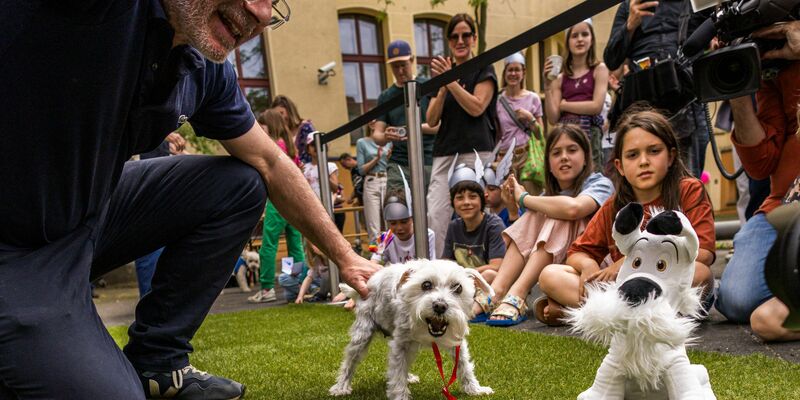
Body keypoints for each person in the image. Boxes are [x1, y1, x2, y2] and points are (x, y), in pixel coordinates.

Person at [0, 1, 378, 398]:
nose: (263, 14)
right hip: (18, 250)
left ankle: (158, 362)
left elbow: (270, 161)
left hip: (89, 211)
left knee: (241, 184)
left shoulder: (203, 66)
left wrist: (345, 256)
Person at [537, 110, 715, 326]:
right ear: (620, 166)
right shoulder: (613, 206)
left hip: (669, 288)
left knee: (701, 273)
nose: (643, 162)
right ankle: (621, 319)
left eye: (654, 151)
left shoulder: (688, 190)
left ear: (671, 156)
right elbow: (577, 252)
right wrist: (588, 265)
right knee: (550, 274)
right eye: (632, 155)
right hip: (623, 290)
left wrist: (626, 263)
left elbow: (703, 254)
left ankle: (588, 314)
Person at [472, 125, 614, 326]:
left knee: (558, 214)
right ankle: (497, 292)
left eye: (572, 150)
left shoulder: (600, 183)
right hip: (561, 271)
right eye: (556, 153)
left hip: (592, 269)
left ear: (585, 157)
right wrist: (514, 209)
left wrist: (524, 199)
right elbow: (526, 239)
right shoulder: (546, 196)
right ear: (548, 163)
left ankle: (518, 293)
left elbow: (574, 208)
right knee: (539, 211)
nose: (564, 157)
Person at [716, 21, 800, 342]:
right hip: (785, 202)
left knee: (763, 316)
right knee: (736, 298)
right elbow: (761, 163)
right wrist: (737, 92)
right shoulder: (773, 55)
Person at [604, 0, 710, 178]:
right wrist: (630, 25)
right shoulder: (629, 6)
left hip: (688, 105)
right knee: (645, 178)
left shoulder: (694, 2)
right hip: (642, 109)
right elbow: (611, 59)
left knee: (688, 182)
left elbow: (722, 26)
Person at [426, 13, 499, 258]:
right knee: (436, 212)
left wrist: (450, 81)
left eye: (465, 35)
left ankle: (490, 267)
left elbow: (477, 106)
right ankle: (440, 271)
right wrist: (444, 86)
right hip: (445, 151)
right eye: (454, 36)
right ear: (448, 40)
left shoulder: (483, 68)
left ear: (474, 38)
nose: (460, 40)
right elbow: (431, 119)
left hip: (477, 150)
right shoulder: (443, 73)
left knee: (482, 210)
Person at [248, 109, 306, 304]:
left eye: (262, 126)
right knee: (293, 244)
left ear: (270, 126)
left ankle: (266, 288)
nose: (259, 129)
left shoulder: (273, 146)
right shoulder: (290, 148)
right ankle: (294, 282)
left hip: (278, 200)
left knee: (268, 245)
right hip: (294, 200)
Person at [371, 40, 438, 195]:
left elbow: (438, 125)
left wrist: (410, 129)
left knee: (432, 213)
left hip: (430, 159)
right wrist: (386, 136)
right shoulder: (386, 96)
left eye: (403, 65)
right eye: (395, 66)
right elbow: (377, 135)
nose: (400, 71)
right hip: (399, 163)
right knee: (396, 209)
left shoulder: (429, 86)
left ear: (412, 60)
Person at [544, 19, 609, 173]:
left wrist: (565, 105)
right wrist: (547, 86)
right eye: (574, 36)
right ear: (567, 42)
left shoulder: (599, 69)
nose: (580, 39)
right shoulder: (560, 77)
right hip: (566, 137)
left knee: (592, 178)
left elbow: (596, 106)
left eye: (585, 34)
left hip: (590, 136)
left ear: (591, 39)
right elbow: (553, 118)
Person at [133, 132, 187, 298]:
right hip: (146, 185)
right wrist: (165, 133)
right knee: (149, 249)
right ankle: (152, 302)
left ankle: (161, 302)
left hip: (159, 180)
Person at [442, 164, 507, 283]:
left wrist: (463, 274)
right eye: (460, 198)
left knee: (489, 274)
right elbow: (446, 264)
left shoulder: (494, 225)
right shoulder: (453, 226)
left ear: (482, 200)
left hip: (487, 285)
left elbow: (497, 266)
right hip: (460, 284)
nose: (466, 202)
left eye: (472, 197)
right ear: (453, 203)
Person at [496, 52, 545, 195]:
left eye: (517, 70)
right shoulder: (497, 101)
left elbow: (540, 133)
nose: (513, 74)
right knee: (508, 203)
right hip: (505, 158)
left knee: (531, 202)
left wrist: (530, 118)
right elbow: (496, 133)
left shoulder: (533, 98)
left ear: (523, 73)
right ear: (504, 73)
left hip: (527, 158)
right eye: (510, 70)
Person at [370, 194, 436, 265]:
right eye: (393, 223)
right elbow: (373, 263)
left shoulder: (427, 235)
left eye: (404, 222)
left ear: (413, 218)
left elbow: (431, 265)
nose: (399, 228)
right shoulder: (384, 238)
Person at [356, 127, 392, 244]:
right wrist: (376, 159)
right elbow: (361, 170)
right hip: (372, 180)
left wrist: (389, 158)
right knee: (373, 224)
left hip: (387, 179)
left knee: (389, 221)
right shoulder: (362, 142)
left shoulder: (389, 141)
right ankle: (376, 255)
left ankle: (389, 254)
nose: (373, 122)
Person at [271, 94, 316, 164]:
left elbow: (311, 156)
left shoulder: (306, 128)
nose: (279, 118)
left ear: (290, 111)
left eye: (281, 113)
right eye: (276, 115)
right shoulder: (279, 134)